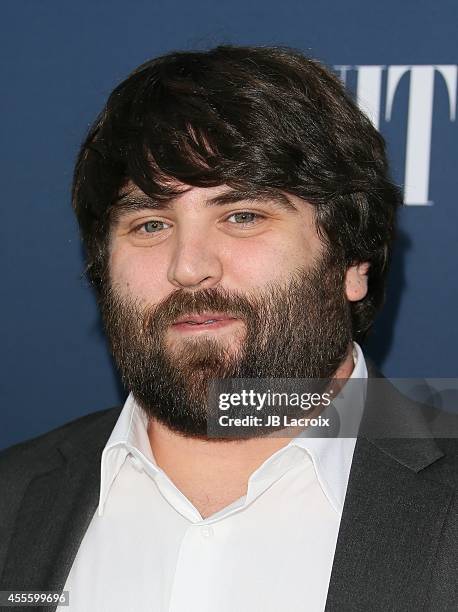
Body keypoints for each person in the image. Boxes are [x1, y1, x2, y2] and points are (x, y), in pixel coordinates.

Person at [0, 45, 457, 612]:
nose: (188, 266)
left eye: (242, 216)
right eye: (149, 223)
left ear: (352, 263)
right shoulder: (12, 497)